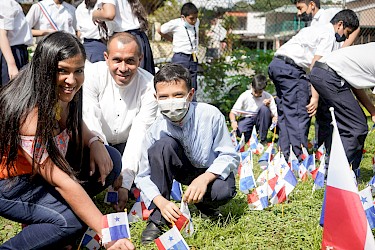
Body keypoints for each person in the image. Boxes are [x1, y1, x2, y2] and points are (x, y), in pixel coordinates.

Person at [0, 32, 133, 250]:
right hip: (11, 184)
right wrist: (107, 233)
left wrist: (94, 142)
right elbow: (61, 181)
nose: (72, 80)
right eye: (62, 71)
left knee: (111, 159)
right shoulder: (29, 114)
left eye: (78, 71)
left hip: (42, 173)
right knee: (69, 221)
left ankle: (51, 218)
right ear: (45, 69)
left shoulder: (65, 91)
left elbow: (75, 122)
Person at [135, 63, 239, 244]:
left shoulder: (211, 115)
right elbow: (143, 175)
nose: (171, 101)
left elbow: (229, 155)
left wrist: (205, 179)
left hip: (208, 172)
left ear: (190, 94)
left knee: (223, 191)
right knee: (162, 146)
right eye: (164, 97)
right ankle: (158, 217)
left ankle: (204, 205)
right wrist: (159, 200)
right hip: (182, 171)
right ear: (156, 97)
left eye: (178, 95)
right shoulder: (155, 128)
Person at [268, 9, 359, 160]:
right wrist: (315, 98)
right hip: (292, 70)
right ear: (340, 24)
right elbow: (315, 66)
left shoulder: (316, 29)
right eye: (346, 33)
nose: (345, 37)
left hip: (277, 65)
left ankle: (284, 154)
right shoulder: (328, 35)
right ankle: (298, 158)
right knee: (299, 113)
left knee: (286, 113)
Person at [83, 32, 157, 211]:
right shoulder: (92, 75)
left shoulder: (149, 86)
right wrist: (108, 162)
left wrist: (125, 181)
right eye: (117, 60)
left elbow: (140, 133)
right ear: (106, 58)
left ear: (140, 59)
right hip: (95, 142)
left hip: (128, 143)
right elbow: (90, 117)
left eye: (130, 61)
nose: (123, 68)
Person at [310, 42, 375, 177]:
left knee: (357, 124)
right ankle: (338, 178)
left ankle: (350, 173)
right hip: (329, 74)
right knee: (356, 127)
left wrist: (372, 110)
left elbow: (356, 84)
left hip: (324, 71)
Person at [92, 0, 155, 75]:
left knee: (132, 78)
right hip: (137, 36)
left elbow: (109, 14)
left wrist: (95, 14)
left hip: (124, 40)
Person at [157, 2, 200, 96]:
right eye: (191, 18)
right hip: (180, 56)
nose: (194, 21)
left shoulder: (197, 22)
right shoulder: (176, 23)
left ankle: (192, 101)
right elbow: (160, 30)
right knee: (179, 80)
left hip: (193, 56)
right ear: (183, 17)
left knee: (193, 82)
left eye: (196, 18)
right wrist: (171, 39)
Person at [229, 74, 278, 143]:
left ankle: (262, 139)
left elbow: (275, 115)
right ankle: (247, 137)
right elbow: (233, 113)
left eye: (260, 92)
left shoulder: (268, 97)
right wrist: (233, 122)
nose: (257, 94)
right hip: (247, 119)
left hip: (261, 120)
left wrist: (273, 116)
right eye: (255, 92)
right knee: (241, 131)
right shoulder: (244, 95)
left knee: (264, 109)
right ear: (251, 86)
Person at [292, 0, 359, 47]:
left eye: (300, 8)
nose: (299, 13)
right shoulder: (310, 24)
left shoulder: (328, 13)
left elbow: (355, 26)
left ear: (312, 5)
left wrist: (342, 49)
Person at [0, 0, 33, 85]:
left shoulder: (13, 3)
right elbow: (2, 34)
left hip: (16, 52)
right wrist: (11, 65)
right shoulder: (7, 3)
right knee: (12, 90)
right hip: (11, 53)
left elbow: (18, 33)